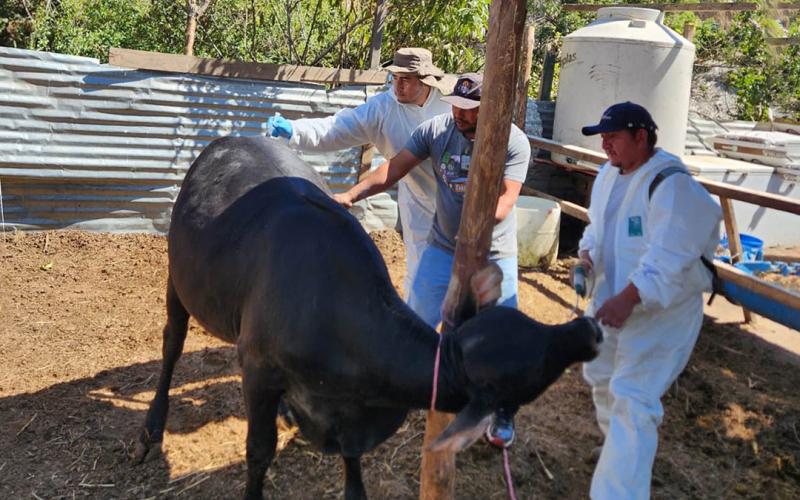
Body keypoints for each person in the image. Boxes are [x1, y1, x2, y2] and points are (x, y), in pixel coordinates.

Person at [334, 73, 531, 447]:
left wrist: (476, 229)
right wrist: (352, 194)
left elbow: (507, 199)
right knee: (415, 323)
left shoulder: (512, 140)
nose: (461, 115)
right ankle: (396, 390)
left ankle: (501, 412)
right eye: (457, 106)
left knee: (502, 337)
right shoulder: (437, 130)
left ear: (489, 108)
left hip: (494, 254)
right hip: (443, 248)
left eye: (470, 110)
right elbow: (393, 168)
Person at [577, 102, 722, 499]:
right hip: (613, 302)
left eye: (613, 137)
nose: (605, 145)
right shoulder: (609, 174)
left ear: (641, 137)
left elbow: (669, 258)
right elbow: (598, 227)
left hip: (661, 314)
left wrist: (628, 298)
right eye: (603, 138)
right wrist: (587, 257)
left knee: (633, 397)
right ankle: (619, 455)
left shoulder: (672, 186)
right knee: (601, 376)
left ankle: (618, 490)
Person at [266, 48, 452, 297]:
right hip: (417, 199)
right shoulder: (383, 108)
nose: (398, 86)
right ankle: (418, 316)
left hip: (458, 196)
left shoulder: (450, 106)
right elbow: (339, 127)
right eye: (395, 77)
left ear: (425, 80)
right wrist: (295, 130)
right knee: (420, 267)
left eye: (406, 79)